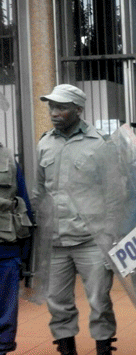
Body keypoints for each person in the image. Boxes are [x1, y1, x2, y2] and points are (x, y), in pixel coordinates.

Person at [36, 84, 117, 355]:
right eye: (51, 106)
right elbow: (39, 191)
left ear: (78, 110)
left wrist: (110, 237)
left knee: (100, 302)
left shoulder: (100, 144)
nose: (53, 112)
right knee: (57, 303)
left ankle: (104, 348)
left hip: (91, 240)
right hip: (56, 242)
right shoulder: (45, 142)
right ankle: (66, 349)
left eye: (61, 107)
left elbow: (115, 192)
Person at [0, 144, 34, 355]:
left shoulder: (10, 163)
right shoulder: (9, 161)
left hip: (6, 248)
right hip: (8, 247)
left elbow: (24, 206)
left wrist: (23, 256)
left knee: (5, 309)